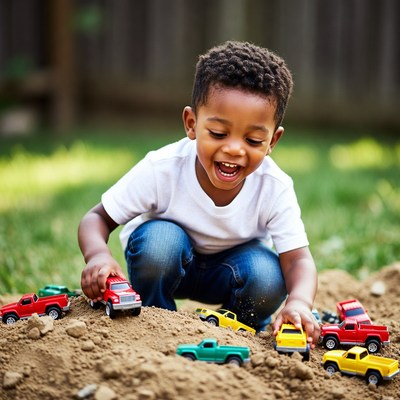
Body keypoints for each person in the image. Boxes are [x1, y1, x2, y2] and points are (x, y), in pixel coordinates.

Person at [78, 40, 320, 346]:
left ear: (273, 141)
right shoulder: (163, 168)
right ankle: (153, 321)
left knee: (269, 276)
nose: (234, 148)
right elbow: (96, 218)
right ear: (191, 124)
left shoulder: (274, 186)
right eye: (218, 133)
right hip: (166, 261)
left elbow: (298, 260)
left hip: (234, 271)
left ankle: (236, 334)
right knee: (160, 243)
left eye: (254, 140)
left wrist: (298, 302)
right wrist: (98, 256)